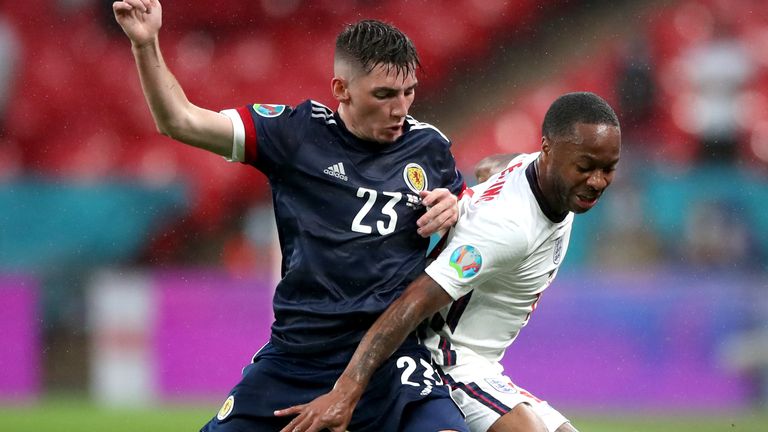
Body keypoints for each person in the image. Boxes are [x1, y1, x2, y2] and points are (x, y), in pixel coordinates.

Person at [113, 1, 469, 431]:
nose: (401, 108)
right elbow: (180, 121)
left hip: (390, 359)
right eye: (384, 95)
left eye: (408, 91)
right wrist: (146, 42)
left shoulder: (429, 148)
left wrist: (458, 207)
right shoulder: (296, 134)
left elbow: (473, 232)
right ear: (342, 89)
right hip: (299, 357)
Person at [276, 92, 621, 432]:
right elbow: (413, 302)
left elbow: (491, 166)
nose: (596, 181)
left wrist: (467, 199)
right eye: (585, 167)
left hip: (484, 366)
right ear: (548, 150)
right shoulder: (509, 228)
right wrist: (346, 391)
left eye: (608, 169)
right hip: (447, 360)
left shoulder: (537, 172)